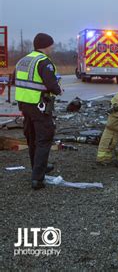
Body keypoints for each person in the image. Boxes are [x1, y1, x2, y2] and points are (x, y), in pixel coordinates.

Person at [15, 33, 62, 190]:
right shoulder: (43, 62)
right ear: (45, 45)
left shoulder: (23, 60)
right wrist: (59, 90)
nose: (52, 48)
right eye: (51, 45)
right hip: (38, 104)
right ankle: (37, 179)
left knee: (32, 137)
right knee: (44, 138)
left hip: (24, 104)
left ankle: (38, 166)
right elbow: (52, 85)